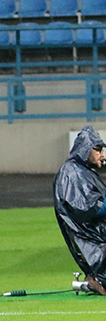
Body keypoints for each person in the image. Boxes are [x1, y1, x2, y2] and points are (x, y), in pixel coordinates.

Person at [53, 126, 106, 295]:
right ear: (86, 150)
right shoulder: (73, 173)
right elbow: (86, 208)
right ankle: (96, 280)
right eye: (98, 151)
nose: (102, 155)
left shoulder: (81, 172)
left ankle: (95, 280)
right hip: (94, 238)